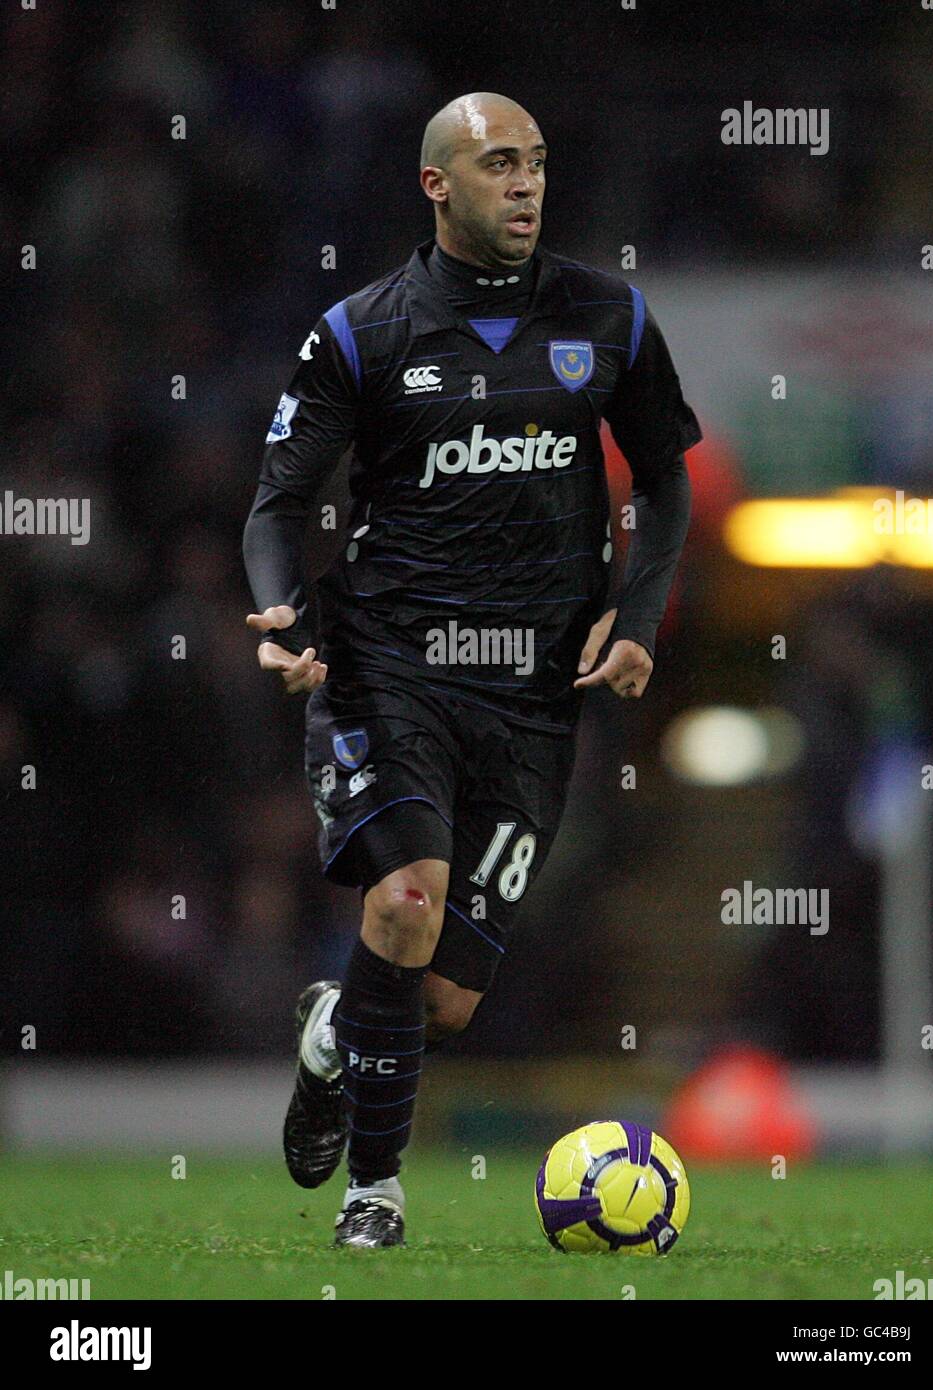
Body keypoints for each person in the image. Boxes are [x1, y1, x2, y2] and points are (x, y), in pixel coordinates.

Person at [243, 92, 701, 1247]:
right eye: (500, 164)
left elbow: (665, 478)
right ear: (437, 184)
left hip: (536, 691)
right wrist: (280, 612)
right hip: (390, 666)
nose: (527, 184)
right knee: (404, 904)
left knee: (439, 996)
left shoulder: (611, 317)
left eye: (538, 163)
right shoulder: (364, 330)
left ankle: (333, 1036)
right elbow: (277, 504)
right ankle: (375, 1196)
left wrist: (634, 615)